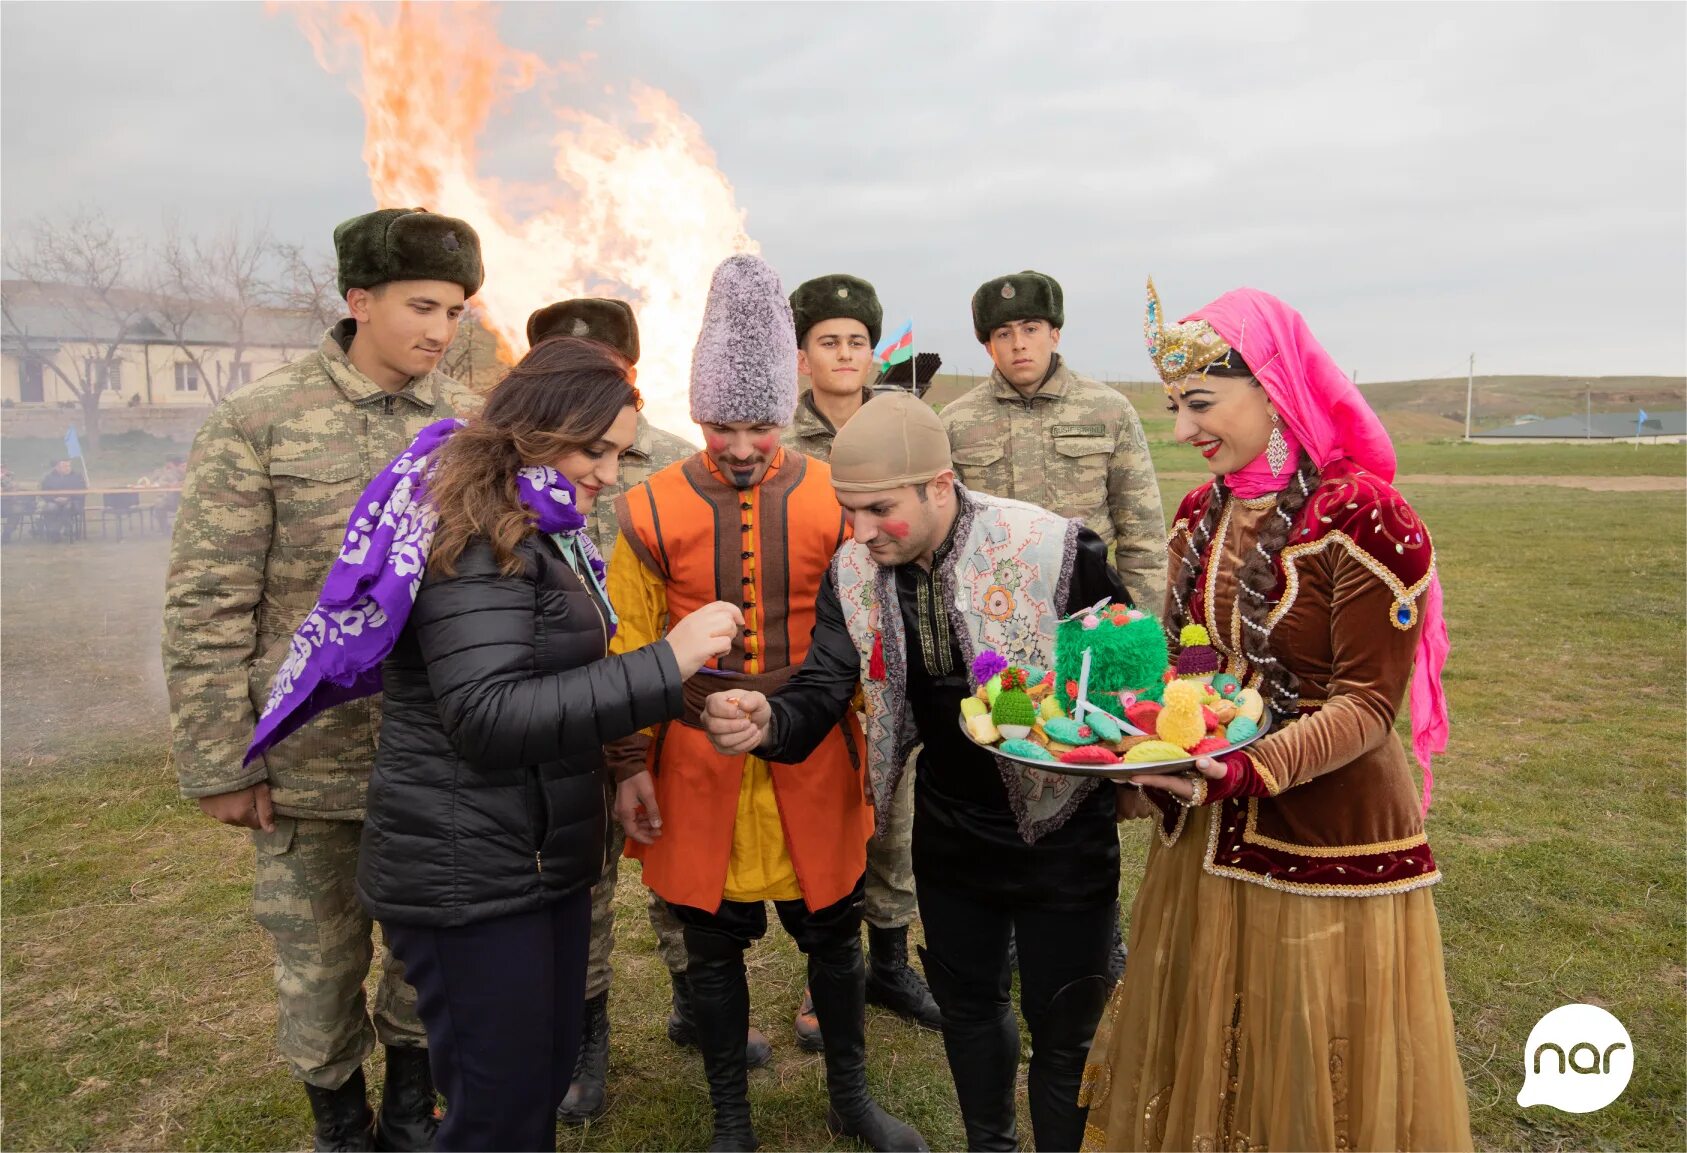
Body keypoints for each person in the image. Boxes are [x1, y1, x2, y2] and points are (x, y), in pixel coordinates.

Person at [247, 335, 743, 1151]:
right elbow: (490, 716)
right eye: (596, 449)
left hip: (527, 855)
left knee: (532, 1085)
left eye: (619, 453)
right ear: (538, 428)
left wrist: (691, 697)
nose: (609, 473)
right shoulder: (477, 535)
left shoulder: (536, 523)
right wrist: (669, 659)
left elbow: (552, 672)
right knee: (498, 1113)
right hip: (466, 870)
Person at [1076, 281, 1466, 1151]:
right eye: (1174, 407)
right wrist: (1131, 739)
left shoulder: (1363, 517)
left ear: (1272, 386)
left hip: (1322, 839)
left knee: (1307, 1063)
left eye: (1199, 403)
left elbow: (1366, 706)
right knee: (1210, 1045)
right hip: (1207, 835)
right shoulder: (1199, 512)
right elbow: (1191, 662)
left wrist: (1246, 768)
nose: (1182, 430)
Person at [703, 392, 1132, 1152]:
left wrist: (1131, 756)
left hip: (1061, 827)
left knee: (1065, 1025)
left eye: (878, 509)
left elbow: (1129, 674)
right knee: (967, 1005)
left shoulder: (1051, 547)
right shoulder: (852, 572)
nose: (861, 533)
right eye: (850, 512)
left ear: (940, 484)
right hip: (951, 824)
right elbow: (822, 686)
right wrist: (771, 722)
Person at [163, 207, 484, 1151]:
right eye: (422, 305)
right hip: (308, 760)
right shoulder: (258, 423)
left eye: (456, 311)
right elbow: (208, 601)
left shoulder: (470, 426)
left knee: (427, 953)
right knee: (319, 959)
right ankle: (340, 1122)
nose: (439, 329)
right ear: (359, 300)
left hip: (435, 753)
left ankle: (411, 1110)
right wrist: (221, 762)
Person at [603, 255, 925, 1153]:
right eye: (719, 425)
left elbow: (871, 636)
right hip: (693, 759)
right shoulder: (645, 508)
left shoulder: (836, 498)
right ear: (697, 413)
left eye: (756, 424)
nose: (740, 446)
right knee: (709, 948)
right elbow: (628, 649)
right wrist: (630, 765)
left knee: (833, 936)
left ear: (783, 412)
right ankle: (729, 1119)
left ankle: (850, 1100)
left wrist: (871, 745)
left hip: (815, 751)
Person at [522, 298, 772, 1126]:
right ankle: (585, 1036)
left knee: (677, 867)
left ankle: (694, 999)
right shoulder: (503, 467)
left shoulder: (667, 461)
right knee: (580, 881)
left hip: (651, 701)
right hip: (547, 706)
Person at [940, 269, 1167, 981]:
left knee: (1089, 781)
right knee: (1000, 774)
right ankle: (1006, 927)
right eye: (1002, 334)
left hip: (1087, 631)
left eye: (1030, 329)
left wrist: (1139, 638)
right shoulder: (957, 422)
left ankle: (1096, 927)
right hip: (994, 633)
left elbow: (1141, 529)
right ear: (987, 344)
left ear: (1055, 332)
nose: (1018, 344)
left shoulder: (1107, 411)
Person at [780, 274, 941, 1049]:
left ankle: (891, 960)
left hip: (892, 645)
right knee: (827, 819)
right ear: (802, 353)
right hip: (807, 654)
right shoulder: (776, 435)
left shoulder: (906, 423)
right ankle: (827, 974)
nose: (843, 354)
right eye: (827, 341)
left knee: (895, 812)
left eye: (855, 341)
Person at [38, 458, 85, 541]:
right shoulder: (49, 477)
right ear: (57, 467)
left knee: (67, 508)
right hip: (54, 501)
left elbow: (82, 491)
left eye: (69, 466)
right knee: (50, 508)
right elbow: (44, 493)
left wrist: (68, 498)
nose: (68, 468)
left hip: (72, 502)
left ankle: (60, 530)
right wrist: (54, 499)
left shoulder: (77, 476)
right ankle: (53, 532)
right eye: (64, 466)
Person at [1, 464, 38, 543]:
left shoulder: (9, 477)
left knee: (17, 509)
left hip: (8, 504)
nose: (2, 470)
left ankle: (6, 534)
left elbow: (15, 489)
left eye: (3, 468)